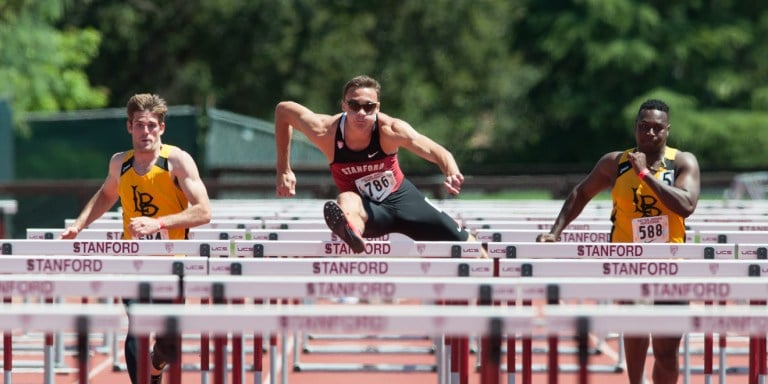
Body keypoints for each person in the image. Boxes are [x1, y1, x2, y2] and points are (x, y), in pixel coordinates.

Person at [537, 99, 700, 384]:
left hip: (672, 264)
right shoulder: (614, 163)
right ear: (635, 128)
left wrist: (645, 175)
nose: (649, 133)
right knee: (635, 328)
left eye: (657, 129)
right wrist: (556, 230)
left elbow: (686, 205)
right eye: (643, 127)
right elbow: (581, 193)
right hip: (629, 262)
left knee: (666, 352)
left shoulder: (682, 161)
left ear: (667, 131)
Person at [60, 93, 212, 384]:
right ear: (129, 127)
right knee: (137, 326)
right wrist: (79, 224)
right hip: (133, 260)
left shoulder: (176, 161)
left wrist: (159, 223)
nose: (146, 132)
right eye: (140, 125)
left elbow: (204, 211)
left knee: (170, 343)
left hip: (173, 261)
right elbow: (106, 195)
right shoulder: (120, 163)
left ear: (162, 128)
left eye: (152, 126)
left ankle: (156, 364)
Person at [274, 75, 484, 256]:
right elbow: (283, 111)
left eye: (369, 107)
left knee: (472, 250)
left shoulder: (391, 129)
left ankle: (493, 284)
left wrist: (451, 172)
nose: (361, 113)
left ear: (378, 108)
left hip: (404, 200)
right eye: (354, 106)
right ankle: (352, 234)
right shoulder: (325, 131)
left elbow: (437, 151)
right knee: (345, 199)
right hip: (366, 210)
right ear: (344, 105)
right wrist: (284, 169)